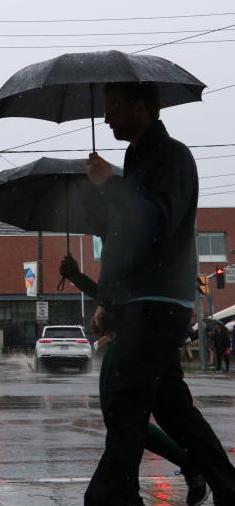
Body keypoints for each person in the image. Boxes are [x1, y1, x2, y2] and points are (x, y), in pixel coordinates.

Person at [71, 80, 235, 505]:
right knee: (172, 409)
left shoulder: (172, 157)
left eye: (113, 108)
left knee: (124, 405)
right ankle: (227, 486)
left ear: (140, 107)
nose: (106, 118)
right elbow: (127, 239)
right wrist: (109, 300)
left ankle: (111, 498)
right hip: (141, 304)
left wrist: (112, 183)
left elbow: (157, 222)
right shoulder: (138, 159)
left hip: (159, 305)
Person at [61, 256, 208, 506]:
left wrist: (82, 281)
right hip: (142, 339)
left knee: (124, 418)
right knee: (129, 419)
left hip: (141, 342)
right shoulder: (142, 243)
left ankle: (190, 468)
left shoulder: (140, 244)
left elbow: (123, 298)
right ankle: (186, 469)